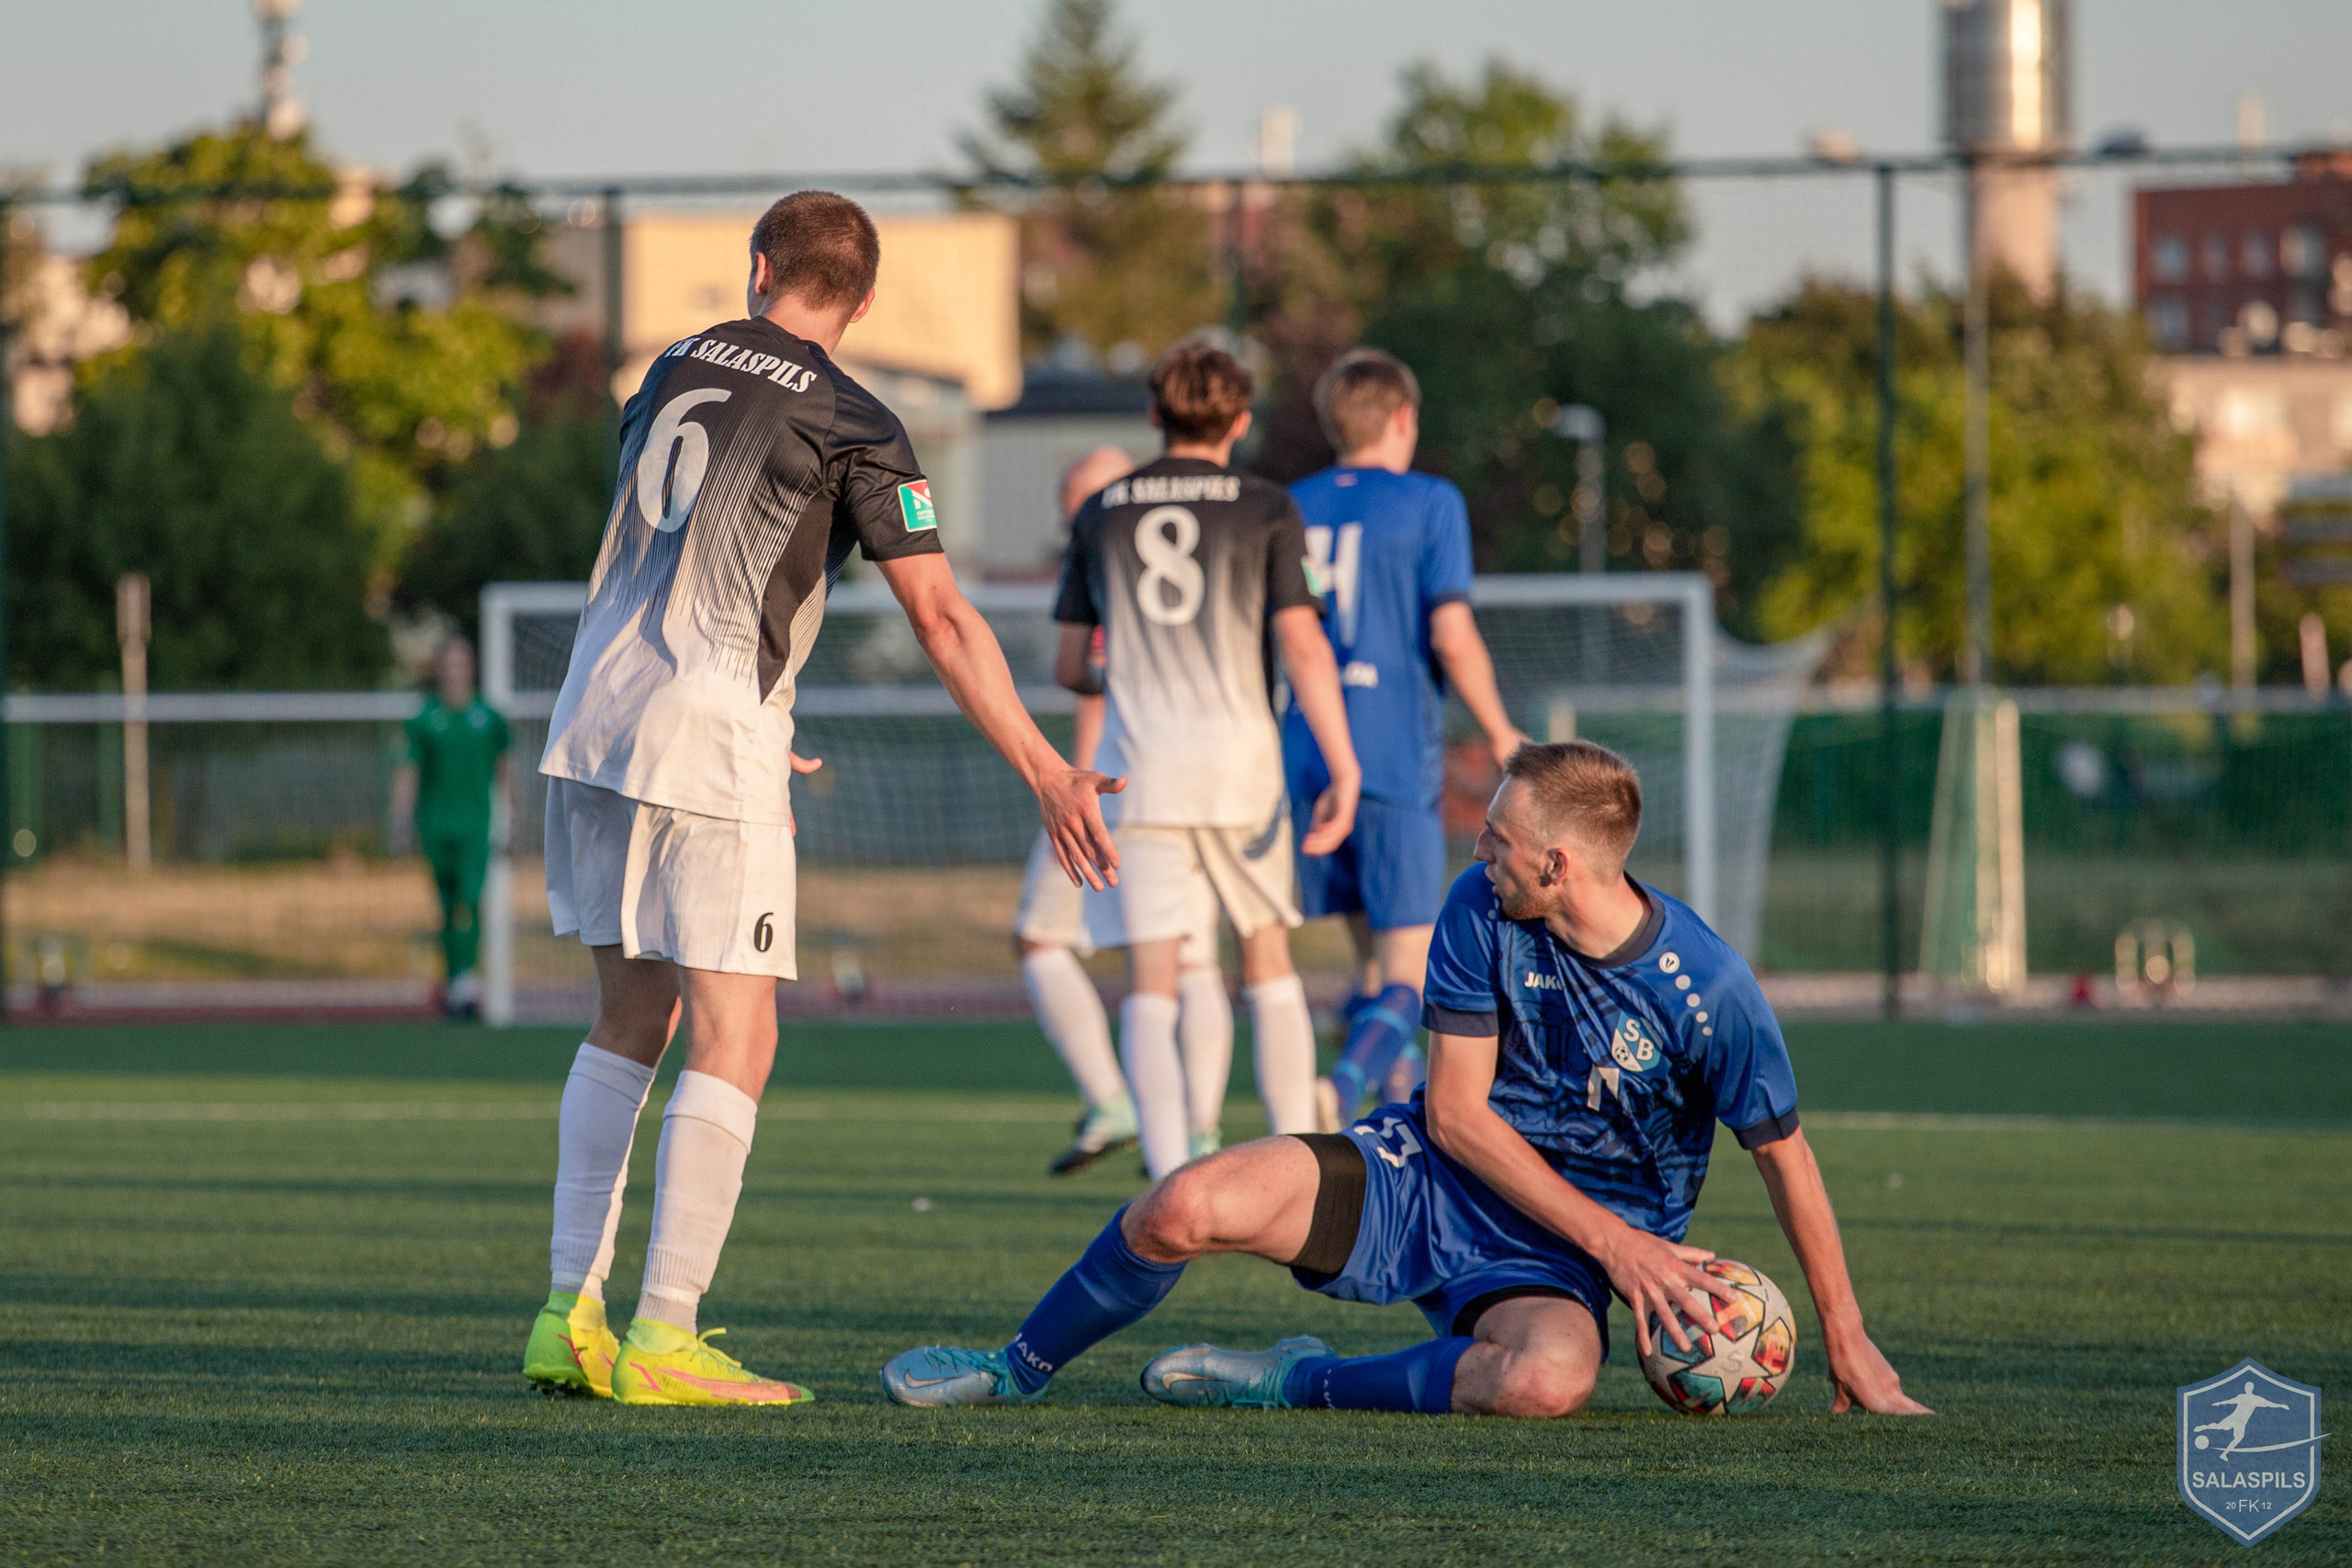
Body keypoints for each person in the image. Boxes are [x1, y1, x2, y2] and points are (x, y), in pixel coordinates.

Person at [521, 191, 1120, 1407]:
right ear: (863, 301)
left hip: (594, 715)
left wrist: (762, 724)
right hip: (705, 729)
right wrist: (1049, 769)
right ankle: (665, 1332)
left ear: (759, 269)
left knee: (628, 1017)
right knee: (742, 1030)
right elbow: (943, 615)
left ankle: (563, 1314)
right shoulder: (857, 418)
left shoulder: (670, 365)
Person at [883, 741, 1932, 1420]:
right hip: (1428, 1174)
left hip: (1560, 1253)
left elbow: (1785, 1160)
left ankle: (1297, 1379)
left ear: (1561, 866)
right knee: (1180, 1205)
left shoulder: (1711, 991)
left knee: (1547, 1381)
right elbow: (1457, 1117)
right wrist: (1626, 1246)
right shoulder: (1480, 909)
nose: (1479, 849)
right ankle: (1014, 1367)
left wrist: (1846, 1337)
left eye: (1500, 838)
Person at [1038, 341, 1361, 1184]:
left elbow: (1070, 667)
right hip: (1241, 769)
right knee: (1266, 960)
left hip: (1137, 772)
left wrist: (1130, 674)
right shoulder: (1267, 506)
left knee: (1154, 975)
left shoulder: (1102, 509)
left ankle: (1172, 1171)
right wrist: (1341, 762)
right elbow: (1301, 640)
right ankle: (1303, 1159)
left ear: (1154, 415)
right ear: (1242, 420)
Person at [1283, 348, 1527, 1133]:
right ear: (1402, 418)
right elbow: (1452, 635)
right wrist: (1499, 731)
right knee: (1408, 975)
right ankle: (1343, 1090)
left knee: (1369, 967)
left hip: (1304, 751)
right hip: (1387, 752)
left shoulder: (1290, 503)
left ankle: (1387, 1137)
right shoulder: (1430, 502)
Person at [1016, 446, 1236, 1177]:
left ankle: (1115, 1100)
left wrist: (1072, 794)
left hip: (1119, 787)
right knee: (1196, 956)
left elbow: (1093, 693)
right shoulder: (1186, 547)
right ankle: (1198, 1128)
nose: (1071, 516)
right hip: (1207, 776)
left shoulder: (1111, 557)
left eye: (1079, 498)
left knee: (1041, 938)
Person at [390, 636, 512, 1021]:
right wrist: (401, 820)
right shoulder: (425, 718)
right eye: (449, 663)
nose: (456, 670)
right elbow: (409, 771)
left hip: (476, 827)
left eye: (462, 662)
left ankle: (465, 984)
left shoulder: (489, 717)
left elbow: (505, 770)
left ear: (472, 667)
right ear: (439, 669)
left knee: (468, 904)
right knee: (446, 909)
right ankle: (454, 983)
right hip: (435, 826)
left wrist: (516, 816)